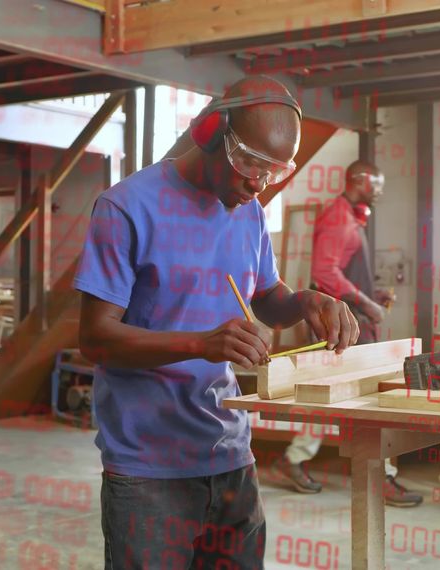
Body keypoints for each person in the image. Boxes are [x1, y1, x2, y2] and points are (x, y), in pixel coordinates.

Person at [74, 76, 361, 569]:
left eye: (274, 171)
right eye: (249, 161)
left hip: (230, 455)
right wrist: (200, 344)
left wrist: (305, 302)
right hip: (148, 467)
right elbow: (95, 339)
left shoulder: (248, 213)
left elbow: (266, 295)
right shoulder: (126, 207)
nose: (258, 182)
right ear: (209, 132)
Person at [269, 160, 423, 508]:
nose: (380, 190)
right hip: (340, 326)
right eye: (377, 183)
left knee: (337, 394)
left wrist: (372, 295)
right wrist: (367, 302)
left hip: (347, 323)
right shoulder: (338, 216)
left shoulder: (351, 217)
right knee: (367, 398)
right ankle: (379, 477)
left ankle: (293, 460)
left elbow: (340, 274)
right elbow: (325, 272)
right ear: (359, 179)